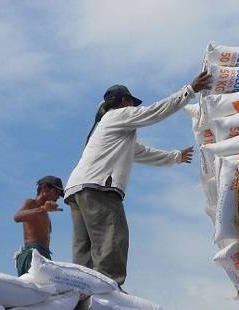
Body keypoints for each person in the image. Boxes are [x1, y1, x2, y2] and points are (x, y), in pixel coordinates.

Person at [64, 71, 212, 286]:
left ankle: (79, 288)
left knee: (84, 247)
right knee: (111, 237)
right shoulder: (118, 115)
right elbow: (154, 113)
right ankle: (108, 287)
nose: (134, 108)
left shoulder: (111, 131)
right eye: (132, 103)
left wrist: (175, 157)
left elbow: (141, 152)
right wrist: (188, 91)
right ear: (124, 101)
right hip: (99, 187)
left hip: (77, 189)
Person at [13, 176, 64, 275]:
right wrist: (43, 209)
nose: (58, 197)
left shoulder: (45, 213)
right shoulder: (31, 203)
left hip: (44, 255)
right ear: (45, 187)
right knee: (31, 288)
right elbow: (17, 217)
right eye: (56, 192)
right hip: (33, 254)